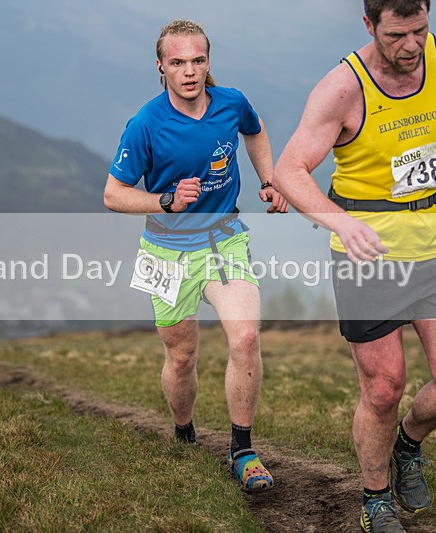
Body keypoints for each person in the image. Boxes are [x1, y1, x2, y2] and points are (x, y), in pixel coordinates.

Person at [273, 1, 436, 531]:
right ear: (369, 25)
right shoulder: (342, 90)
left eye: (420, 30)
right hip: (368, 256)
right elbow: (289, 170)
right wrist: (340, 223)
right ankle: (375, 498)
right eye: (397, 34)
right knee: (382, 388)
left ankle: (408, 444)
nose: (412, 45)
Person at [103, 19, 288, 493]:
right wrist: (165, 200)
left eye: (198, 61)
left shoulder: (231, 102)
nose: (189, 71)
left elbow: (256, 130)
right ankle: (184, 432)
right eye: (178, 63)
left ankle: (242, 449)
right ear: (161, 67)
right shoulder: (146, 124)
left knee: (245, 338)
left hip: (223, 239)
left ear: (209, 64)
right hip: (164, 250)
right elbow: (113, 195)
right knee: (181, 356)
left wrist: (268, 180)